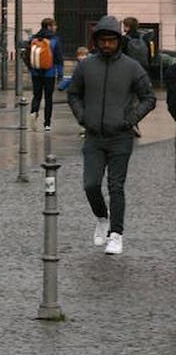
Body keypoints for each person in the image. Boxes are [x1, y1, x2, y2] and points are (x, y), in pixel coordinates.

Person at [66, 14, 156, 255]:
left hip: (120, 137)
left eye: (111, 40)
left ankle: (116, 234)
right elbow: (73, 93)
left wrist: (130, 120)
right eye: (102, 40)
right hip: (94, 135)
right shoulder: (86, 66)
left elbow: (149, 97)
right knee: (91, 184)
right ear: (96, 41)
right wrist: (83, 117)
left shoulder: (131, 67)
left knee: (116, 186)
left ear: (118, 41)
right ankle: (101, 217)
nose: (107, 44)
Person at [27, 16, 64, 129]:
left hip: (35, 72)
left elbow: (27, 55)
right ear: (49, 26)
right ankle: (47, 124)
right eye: (54, 25)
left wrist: (31, 68)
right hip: (49, 72)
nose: (56, 27)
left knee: (36, 95)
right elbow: (58, 58)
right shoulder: (54, 40)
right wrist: (60, 74)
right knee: (48, 98)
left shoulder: (33, 39)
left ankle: (33, 113)